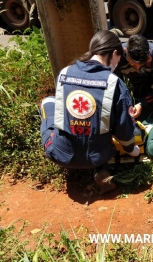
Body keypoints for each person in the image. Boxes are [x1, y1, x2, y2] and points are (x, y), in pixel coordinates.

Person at [39, 30, 139, 194]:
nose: (116, 64)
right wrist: (131, 150)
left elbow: (61, 115)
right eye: (118, 59)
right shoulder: (115, 83)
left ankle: (57, 143)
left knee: (47, 103)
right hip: (98, 156)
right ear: (114, 53)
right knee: (102, 124)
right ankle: (100, 169)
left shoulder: (64, 73)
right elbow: (124, 129)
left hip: (61, 154)